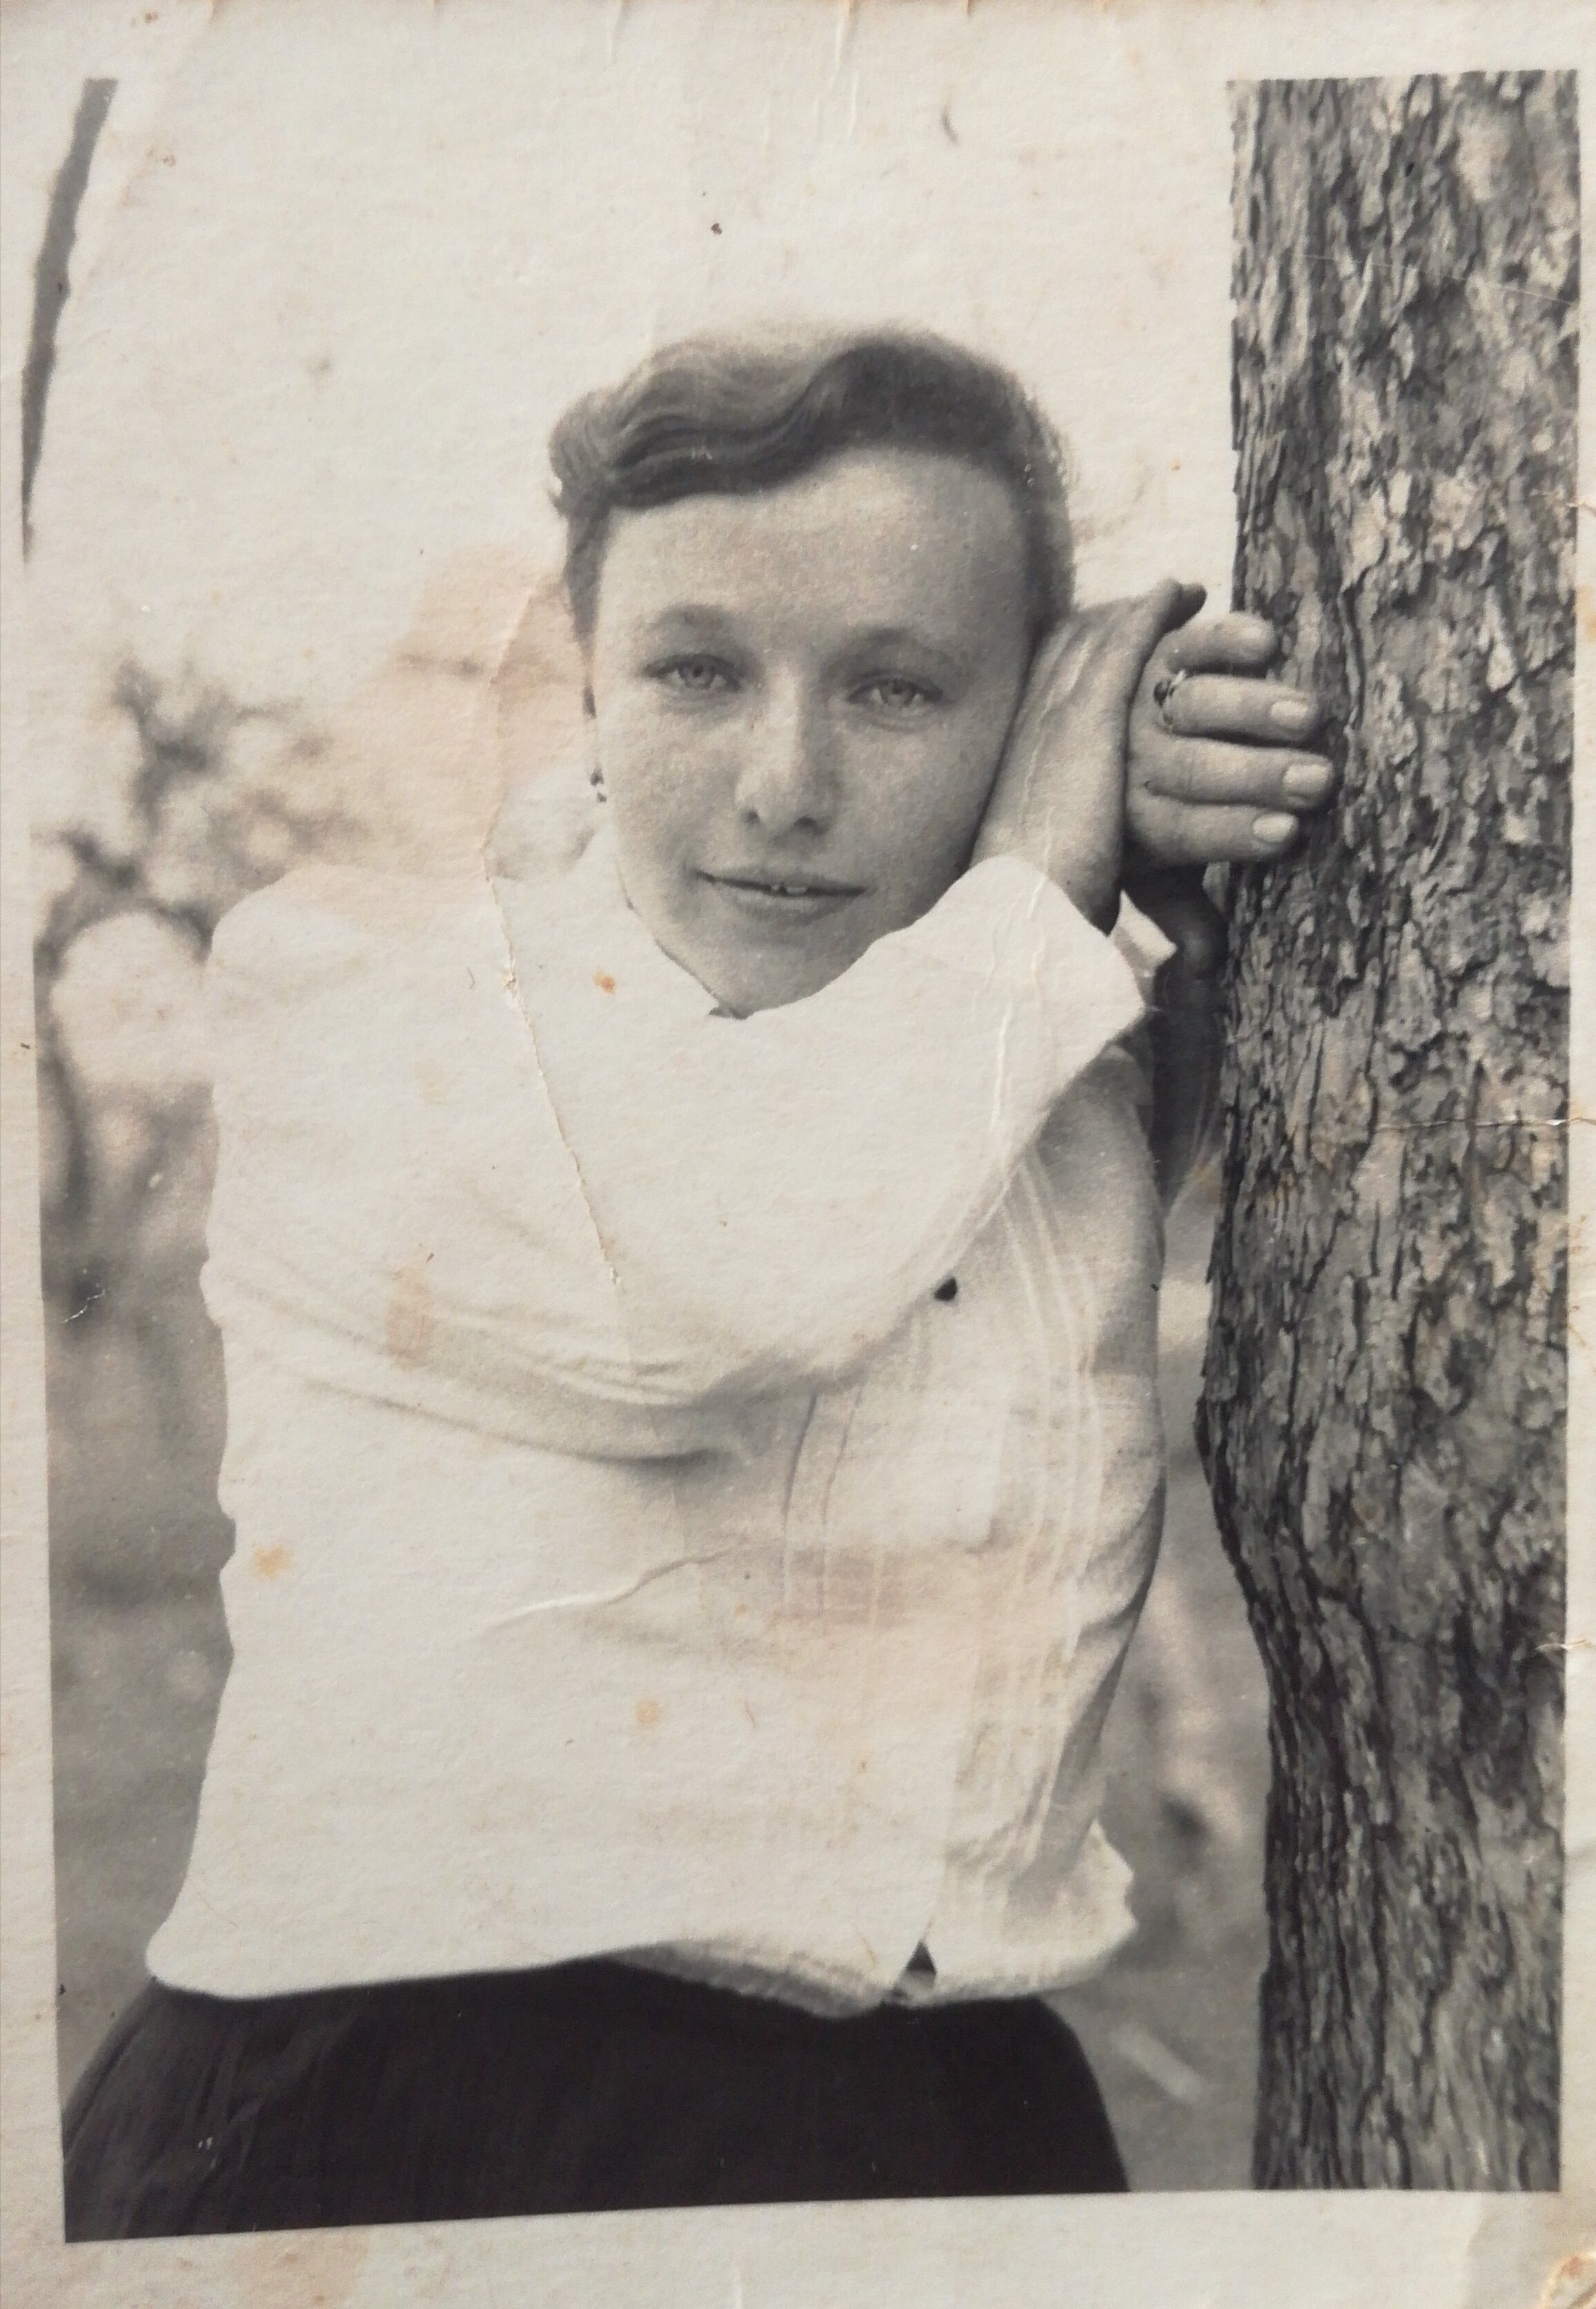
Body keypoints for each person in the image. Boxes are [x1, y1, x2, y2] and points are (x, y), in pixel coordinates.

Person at [62, 329, 1331, 2232]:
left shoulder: (1024, 1049)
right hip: (428, 2120)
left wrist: (1188, 849)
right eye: (696, 671)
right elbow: (733, 1279)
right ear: (587, 674)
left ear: (1022, 719)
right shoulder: (365, 999)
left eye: (898, 688)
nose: (784, 783)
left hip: (943, 2102)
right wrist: (1038, 858)